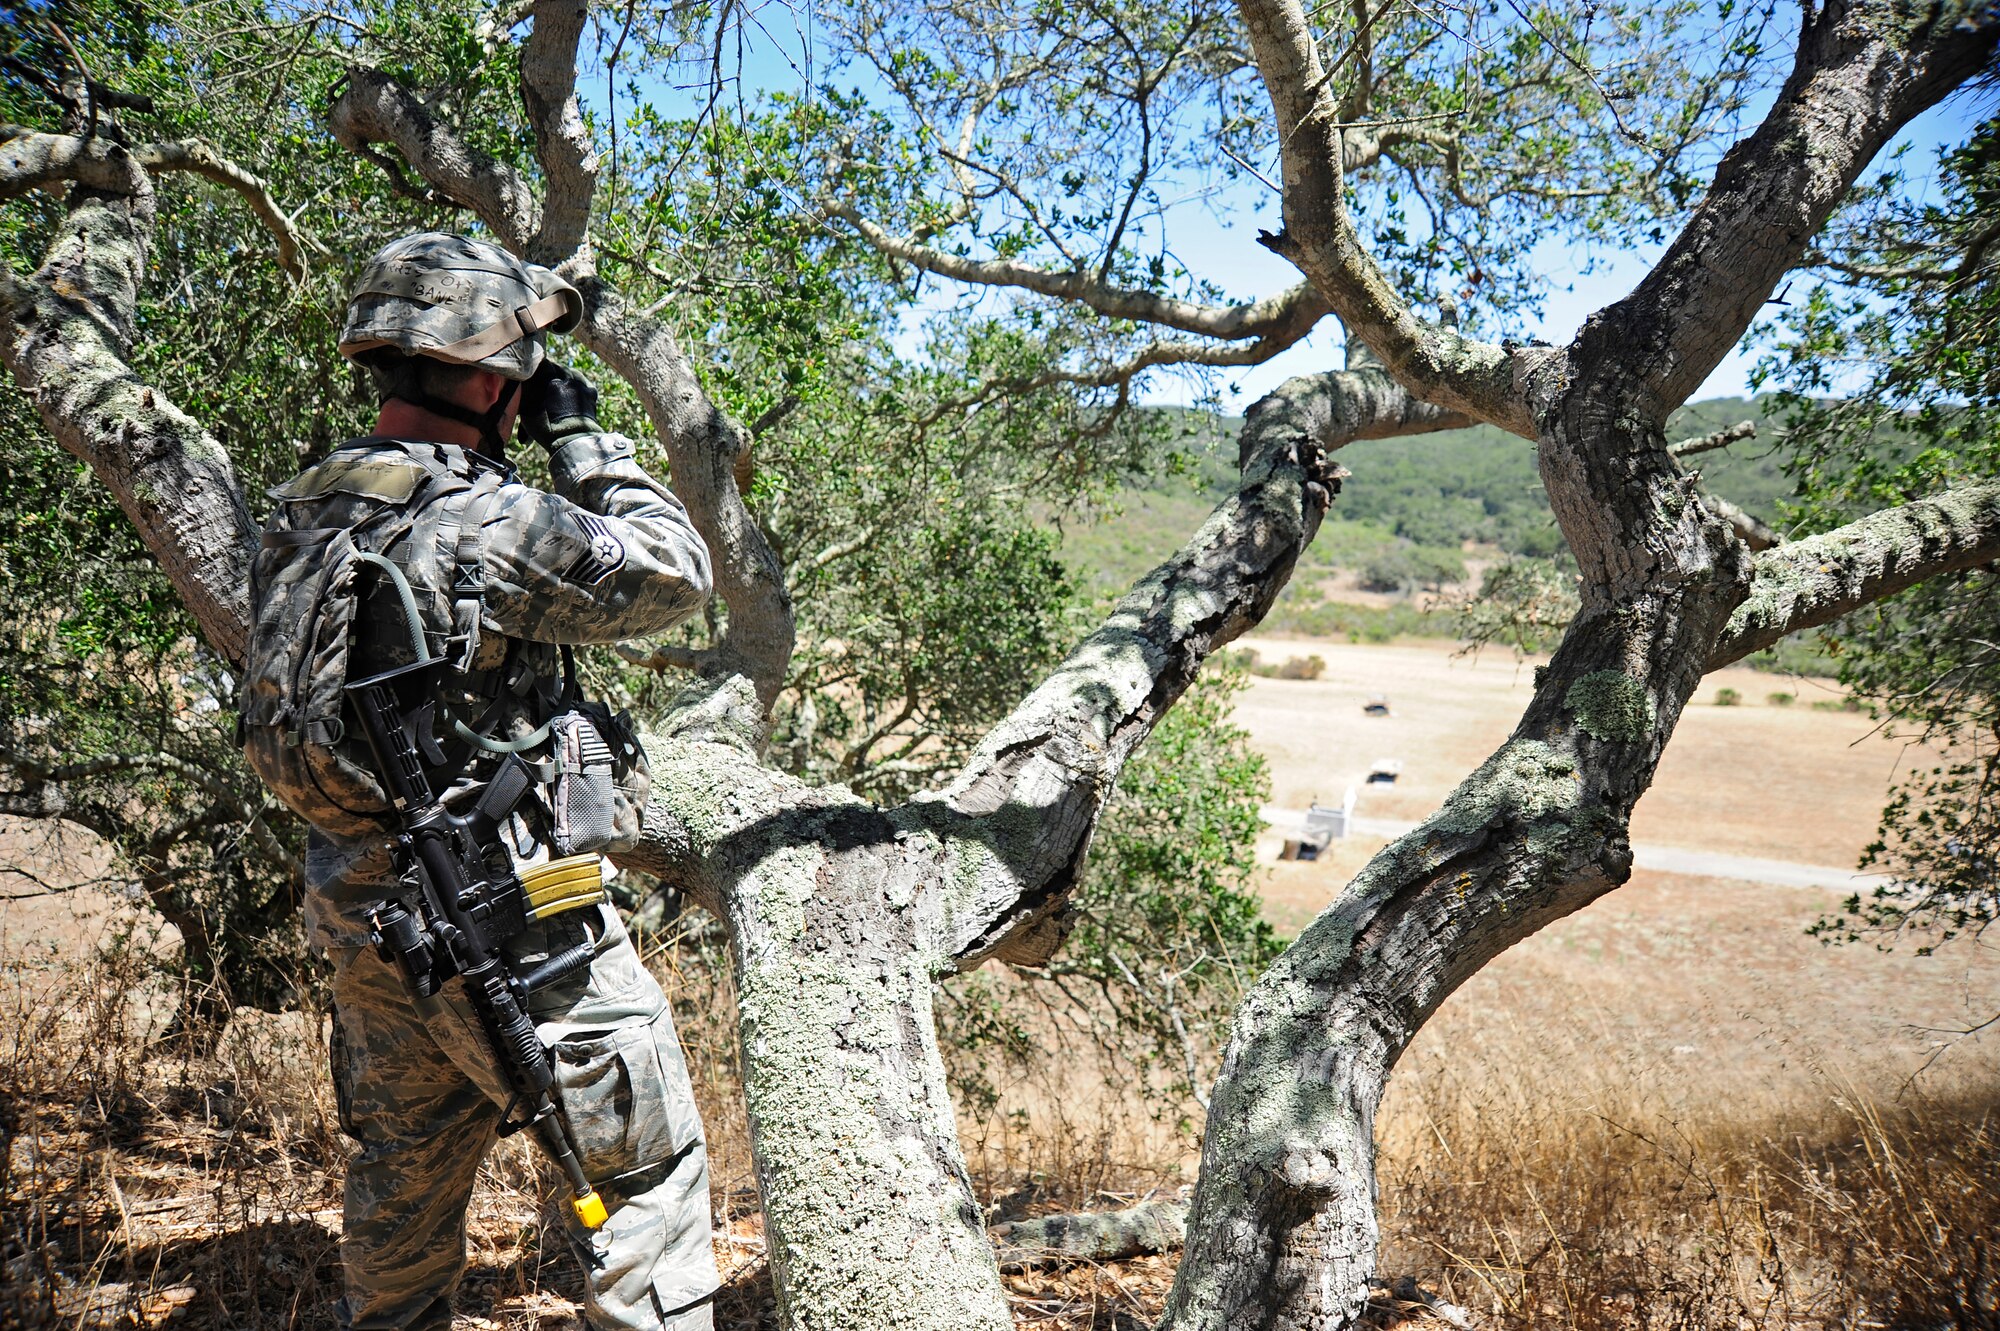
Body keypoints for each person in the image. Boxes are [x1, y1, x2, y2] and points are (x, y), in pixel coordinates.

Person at [241, 232, 721, 1330]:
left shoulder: (303, 511)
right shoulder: (484, 519)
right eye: (519, 374)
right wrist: (583, 438)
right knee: (645, 1184)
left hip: (366, 918)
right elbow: (673, 569)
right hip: (505, 915)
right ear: (487, 374)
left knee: (398, 1202)